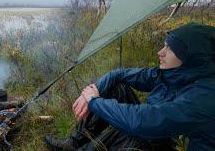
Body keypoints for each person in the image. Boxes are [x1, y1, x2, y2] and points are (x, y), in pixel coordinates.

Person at [44, 22, 215, 150]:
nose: (160, 52)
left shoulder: (204, 96)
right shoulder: (173, 73)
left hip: (169, 144)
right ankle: (75, 142)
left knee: (133, 130)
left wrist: (95, 102)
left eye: (169, 49)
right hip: (159, 133)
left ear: (189, 57)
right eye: (164, 45)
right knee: (117, 86)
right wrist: (90, 94)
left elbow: (143, 121)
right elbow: (119, 74)